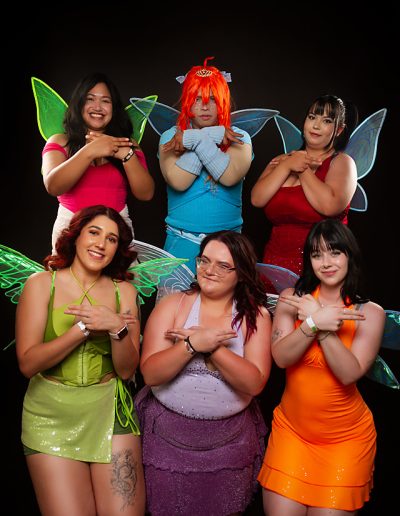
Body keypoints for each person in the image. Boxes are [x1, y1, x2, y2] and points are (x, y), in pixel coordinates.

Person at [16, 205, 145, 515]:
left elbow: (127, 370)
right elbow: (28, 364)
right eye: (94, 233)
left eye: (112, 239)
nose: (101, 244)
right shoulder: (40, 284)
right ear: (75, 236)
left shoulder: (125, 292)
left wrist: (116, 328)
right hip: (50, 416)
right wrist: (83, 329)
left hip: (110, 412)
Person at [135, 230, 272, 515]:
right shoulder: (173, 304)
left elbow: (255, 383)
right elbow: (150, 374)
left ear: (241, 273)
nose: (209, 270)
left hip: (228, 445)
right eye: (204, 261)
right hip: (167, 439)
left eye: (223, 265)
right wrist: (190, 345)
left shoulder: (255, 316)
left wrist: (213, 349)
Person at [257, 218, 386, 515]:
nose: (326, 262)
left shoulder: (369, 313)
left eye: (334, 252)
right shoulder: (292, 300)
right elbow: (281, 358)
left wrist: (324, 329)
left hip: (345, 442)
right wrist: (313, 323)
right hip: (292, 434)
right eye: (317, 255)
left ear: (349, 255)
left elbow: (349, 373)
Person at [159, 57, 253, 272]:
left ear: (223, 101)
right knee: (177, 296)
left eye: (212, 99)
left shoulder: (239, 137)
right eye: (197, 98)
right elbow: (179, 181)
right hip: (181, 243)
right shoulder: (170, 137)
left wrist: (195, 138)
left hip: (228, 247)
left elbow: (228, 176)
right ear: (187, 101)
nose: (204, 106)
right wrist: (211, 136)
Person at [42, 72, 155, 251]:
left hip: (116, 234)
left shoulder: (127, 144)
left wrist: (126, 155)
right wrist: (90, 151)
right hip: (70, 231)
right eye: (90, 99)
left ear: (114, 108)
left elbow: (146, 194)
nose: (98, 107)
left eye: (105, 101)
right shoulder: (60, 141)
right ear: (79, 103)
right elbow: (53, 186)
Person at [251, 94, 358, 278]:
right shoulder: (283, 160)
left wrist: (302, 168)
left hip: (321, 268)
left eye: (326, 121)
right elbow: (257, 199)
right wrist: (286, 165)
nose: (316, 125)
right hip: (274, 265)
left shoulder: (342, 162)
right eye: (312, 117)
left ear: (339, 130)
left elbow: (330, 206)